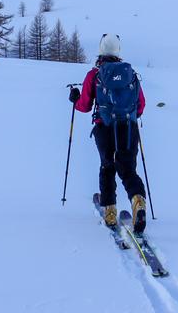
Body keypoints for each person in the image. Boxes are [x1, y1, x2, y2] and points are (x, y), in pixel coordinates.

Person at [69, 33, 148, 231]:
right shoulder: (130, 74)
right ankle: (138, 200)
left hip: (104, 128)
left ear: (101, 50)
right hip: (128, 128)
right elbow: (140, 105)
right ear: (118, 51)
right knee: (128, 169)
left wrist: (74, 99)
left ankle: (110, 211)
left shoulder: (94, 75)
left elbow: (84, 105)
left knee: (107, 167)